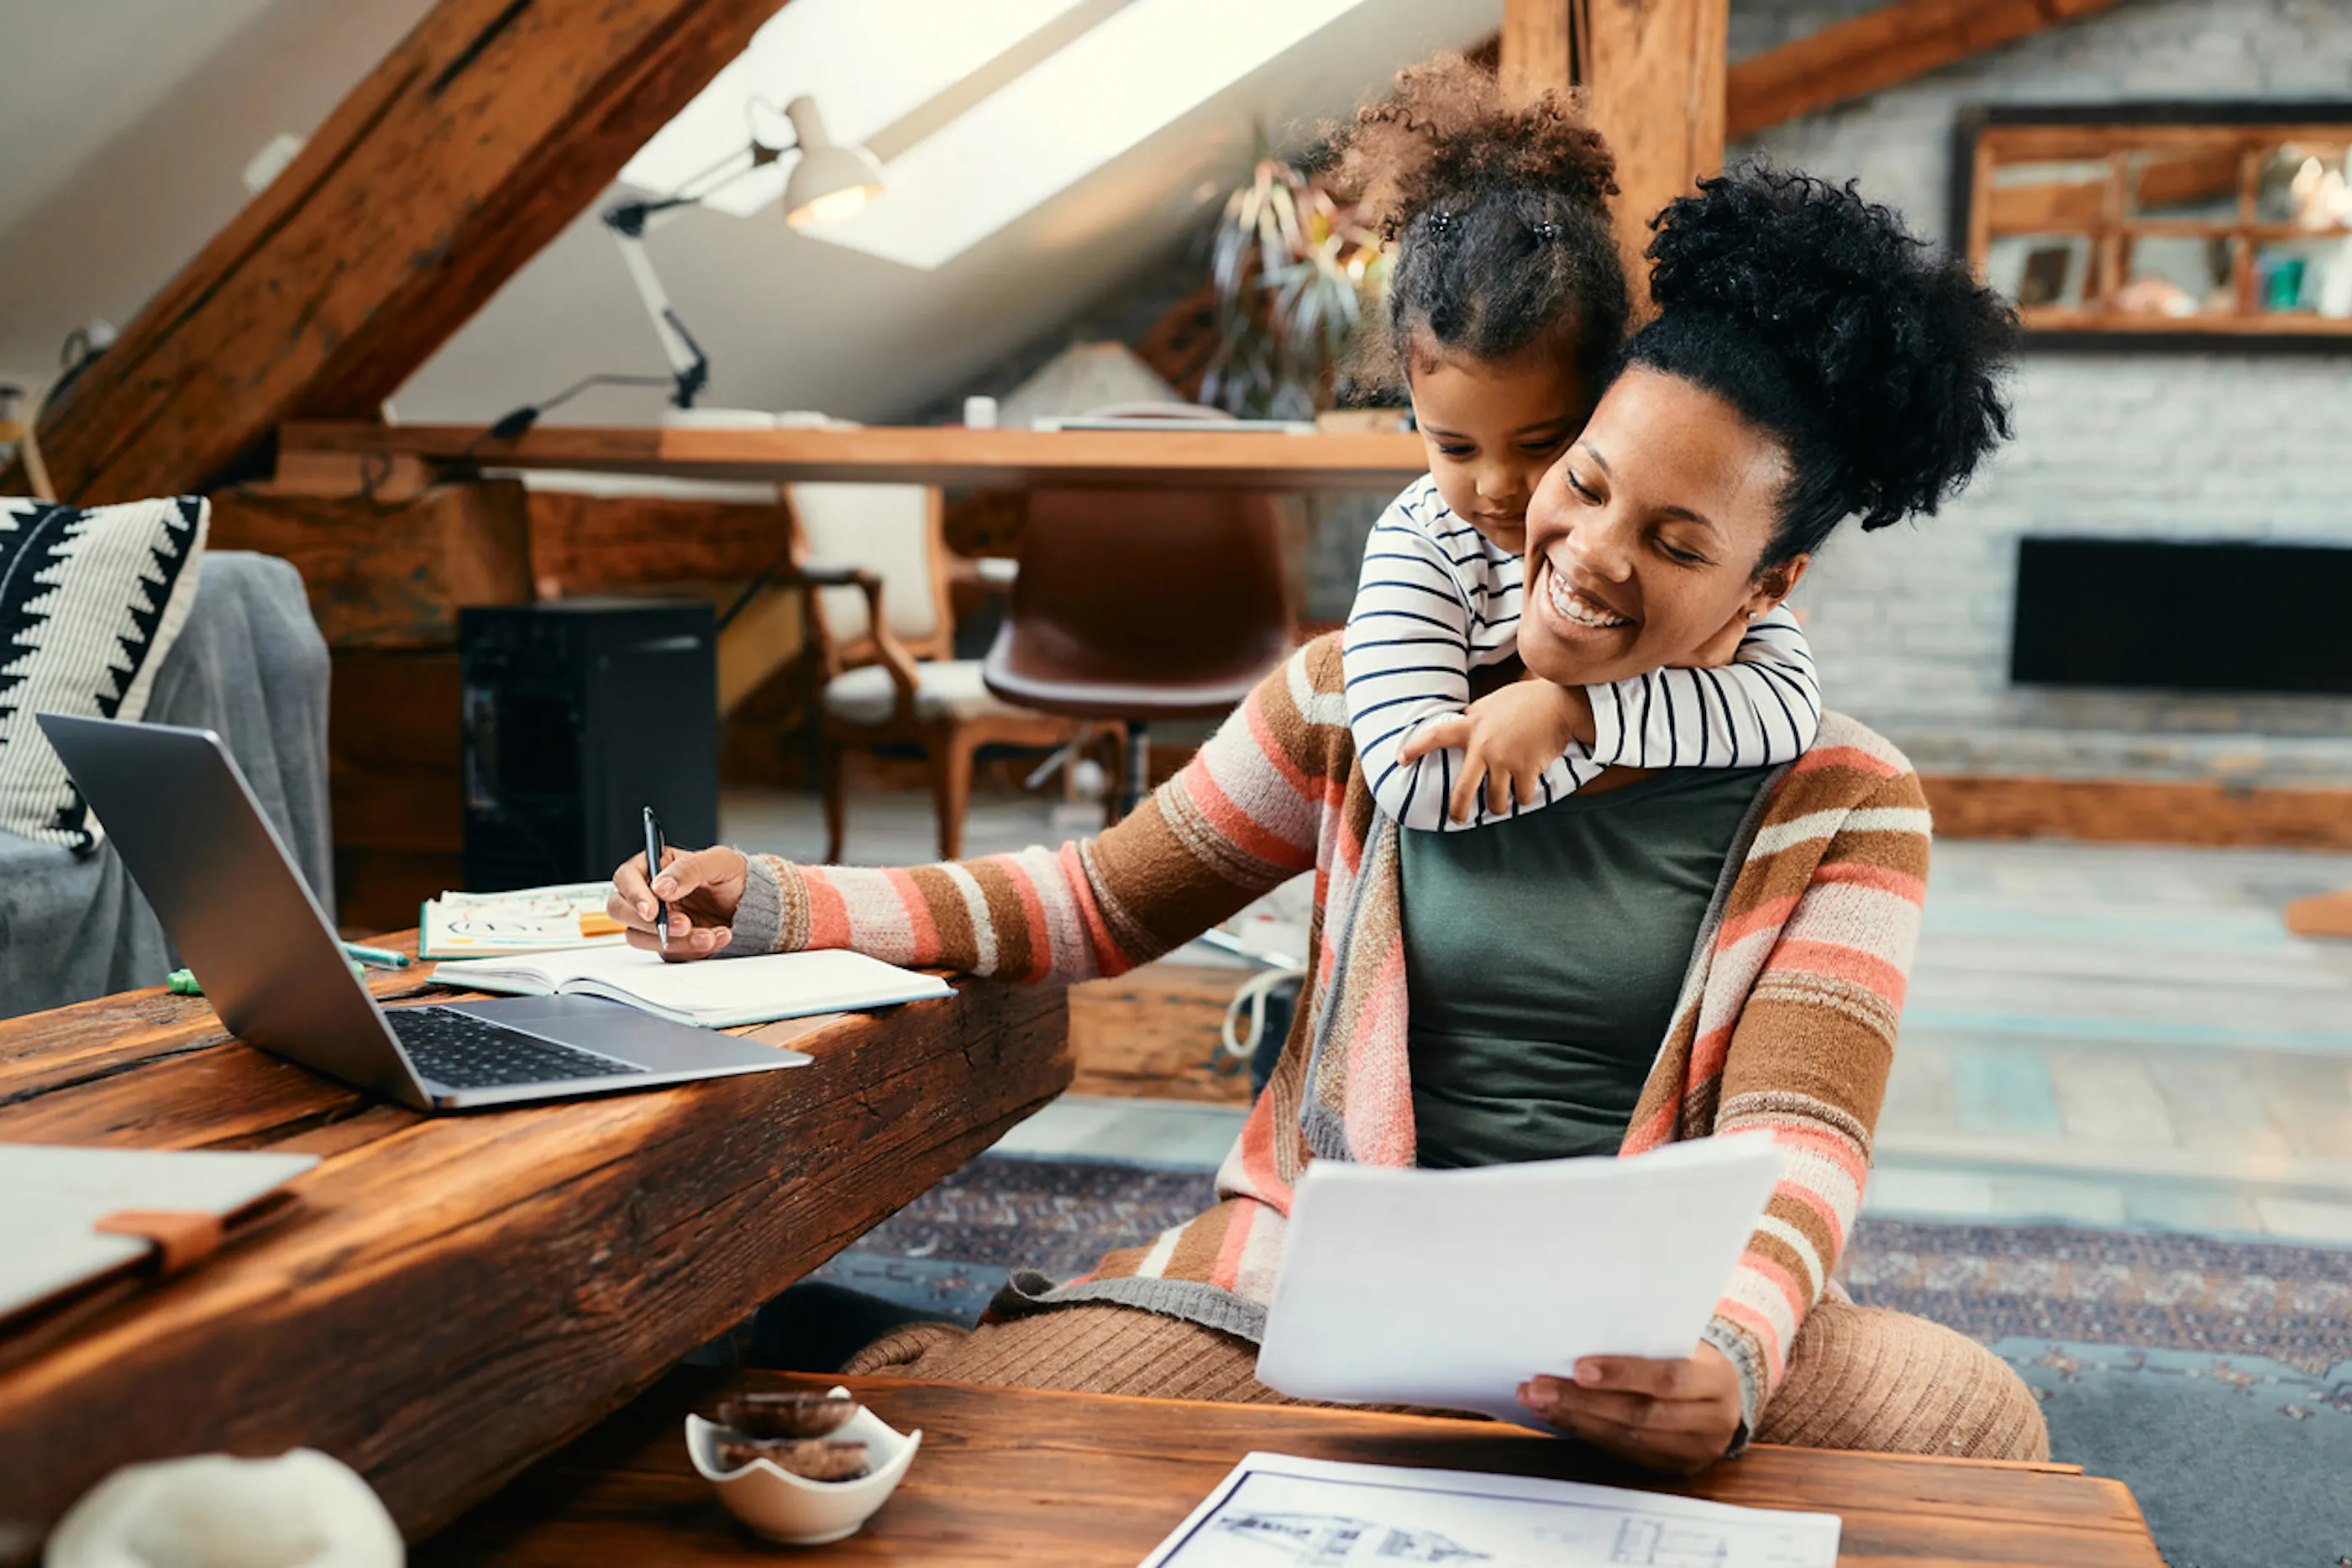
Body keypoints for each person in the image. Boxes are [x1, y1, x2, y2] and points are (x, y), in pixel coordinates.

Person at [610, 163, 2033, 1474]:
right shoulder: (1361, 701)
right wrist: (786, 901)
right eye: (1586, 481)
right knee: (964, 1441)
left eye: (1675, 541)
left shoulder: (1846, 799)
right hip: (1325, 1285)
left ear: (1769, 584)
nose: (1590, 552)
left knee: (1979, 1426)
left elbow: (1800, 1142)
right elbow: (1094, 899)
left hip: (1643, 1319)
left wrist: (1730, 1354)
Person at [1331, 57, 1820, 831]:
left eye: (1543, 444)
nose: (1497, 485)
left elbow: (1787, 709)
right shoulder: (1421, 548)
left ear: (1604, 403)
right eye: (1453, 448)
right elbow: (1418, 780)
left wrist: (1572, 715)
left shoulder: (1700, 575)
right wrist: (1598, 716)